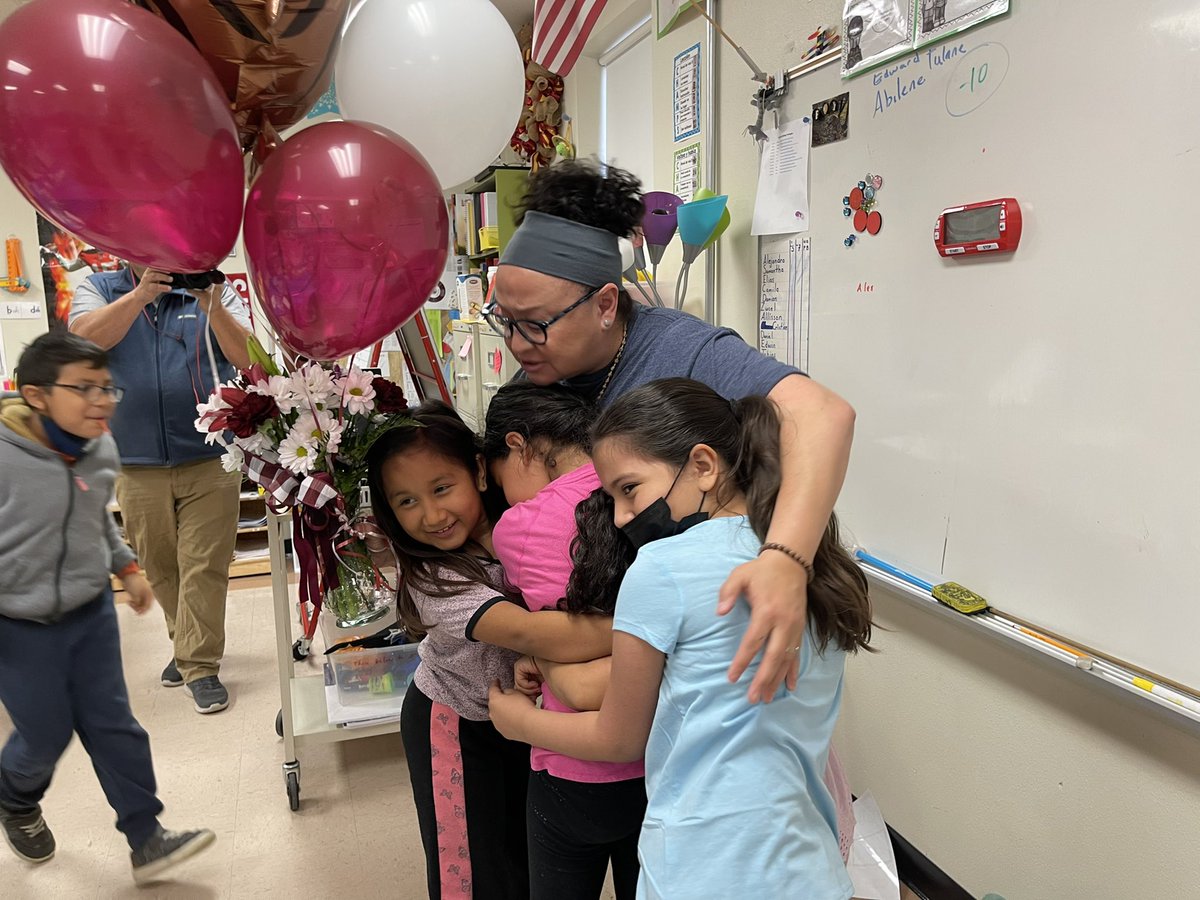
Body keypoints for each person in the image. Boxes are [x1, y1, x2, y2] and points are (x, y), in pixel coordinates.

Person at [485, 160, 857, 704]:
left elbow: (825, 415)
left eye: (536, 324)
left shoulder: (683, 352)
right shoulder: (539, 378)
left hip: (692, 648)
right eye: (505, 321)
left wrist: (785, 559)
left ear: (606, 304)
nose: (517, 344)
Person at [490, 378, 873, 899]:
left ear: (703, 466)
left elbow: (619, 737)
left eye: (629, 490)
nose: (623, 518)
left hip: (702, 868)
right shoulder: (816, 563)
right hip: (809, 867)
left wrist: (519, 722)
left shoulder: (662, 567)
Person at [365, 401, 615, 900]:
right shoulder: (434, 579)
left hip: (524, 723)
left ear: (479, 470)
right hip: (456, 725)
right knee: (472, 871)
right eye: (407, 501)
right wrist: (653, 624)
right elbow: (529, 632)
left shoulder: (525, 520)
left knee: (525, 860)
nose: (432, 514)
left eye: (441, 488)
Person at [0, 331, 215, 883]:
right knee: (46, 734)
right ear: (37, 395)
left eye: (107, 387)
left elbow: (94, 518)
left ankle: (147, 838)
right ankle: (15, 798)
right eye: (84, 389)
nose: (103, 400)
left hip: (89, 611)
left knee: (114, 724)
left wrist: (125, 568)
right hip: (17, 624)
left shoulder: (100, 448)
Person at [481, 382, 645, 900]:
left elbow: (571, 668)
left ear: (517, 445)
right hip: (664, 763)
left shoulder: (521, 526)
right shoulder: (647, 490)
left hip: (573, 767)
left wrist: (541, 654)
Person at [69, 266, 253, 714]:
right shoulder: (99, 287)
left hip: (211, 455)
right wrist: (137, 297)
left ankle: (199, 666)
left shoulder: (208, 287)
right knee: (159, 563)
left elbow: (249, 358)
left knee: (204, 563)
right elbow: (80, 344)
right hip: (133, 460)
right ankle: (188, 644)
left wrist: (210, 302)